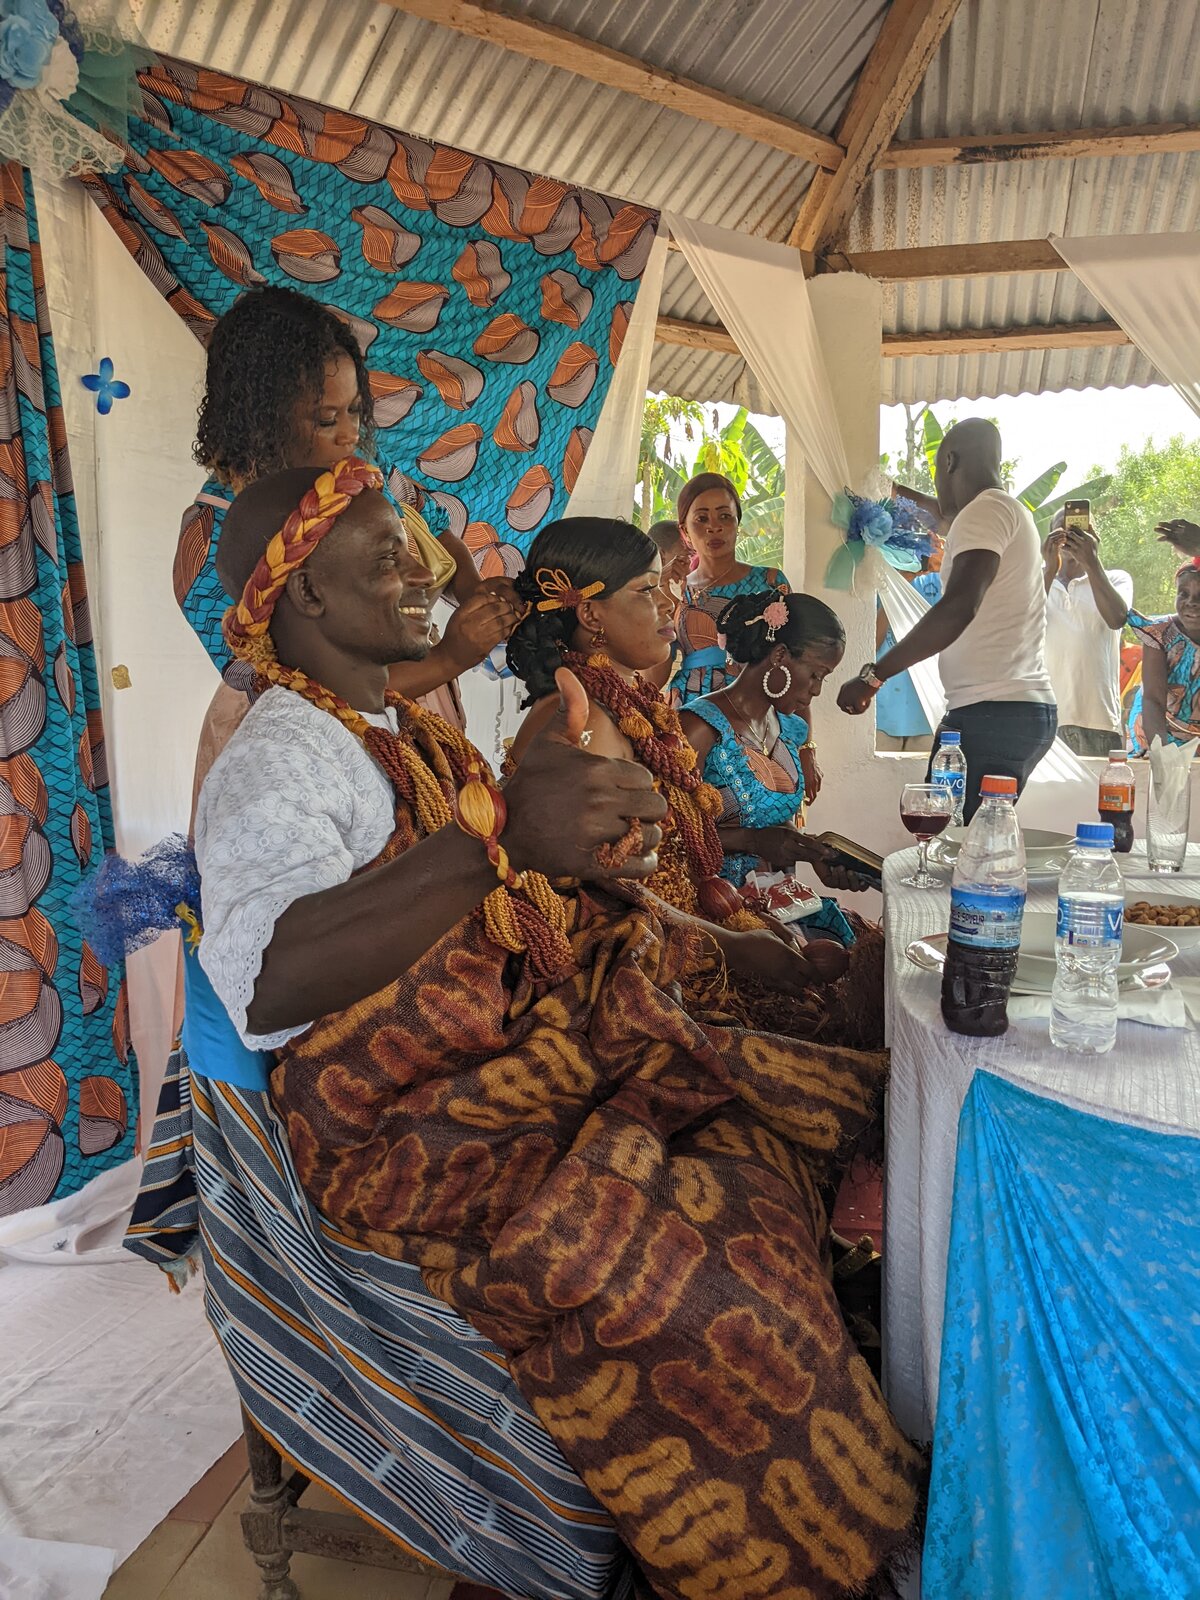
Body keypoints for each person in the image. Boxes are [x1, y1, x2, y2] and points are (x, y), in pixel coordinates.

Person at [193, 459, 922, 1598]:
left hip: (485, 1064)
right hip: (403, 1130)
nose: (418, 565)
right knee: (696, 1260)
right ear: (306, 599)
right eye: (379, 550)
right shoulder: (279, 754)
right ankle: (776, 1546)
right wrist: (495, 845)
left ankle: (849, 1437)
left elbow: (490, 900)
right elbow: (267, 980)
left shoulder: (395, 727)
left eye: (409, 541)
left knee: (748, 1115)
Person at [178, 285, 518, 728]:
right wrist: (449, 657)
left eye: (355, 412)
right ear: (257, 418)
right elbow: (279, 684)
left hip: (418, 702)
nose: (349, 435)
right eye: (325, 419)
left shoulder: (367, 473)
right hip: (308, 736)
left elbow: (436, 532)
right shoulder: (212, 532)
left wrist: (476, 595)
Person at [838, 419, 1057, 820]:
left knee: (959, 845)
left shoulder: (985, 511)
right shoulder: (1005, 511)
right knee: (969, 841)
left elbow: (958, 606)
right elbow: (942, 516)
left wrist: (874, 675)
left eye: (938, 471)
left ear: (951, 461)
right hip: (1007, 711)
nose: (937, 484)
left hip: (993, 713)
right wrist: (894, 493)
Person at [672, 472, 790, 704]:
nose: (714, 527)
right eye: (701, 519)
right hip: (691, 703)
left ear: (738, 523)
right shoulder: (676, 590)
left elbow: (792, 656)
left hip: (756, 704)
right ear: (684, 531)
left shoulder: (770, 582)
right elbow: (653, 672)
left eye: (725, 516)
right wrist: (664, 596)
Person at [1041, 509, 1132, 756]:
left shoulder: (1116, 579)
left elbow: (1117, 619)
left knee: (1101, 795)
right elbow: (1021, 627)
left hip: (1100, 720)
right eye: (1062, 531)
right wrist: (1049, 569)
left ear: (1095, 537)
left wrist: (1092, 562)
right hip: (1046, 719)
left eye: (1079, 529)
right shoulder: (1038, 579)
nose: (1070, 537)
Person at [874, 542, 944, 753]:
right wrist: (895, 590)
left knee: (928, 783)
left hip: (930, 711)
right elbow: (869, 646)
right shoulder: (877, 584)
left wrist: (946, 564)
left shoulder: (941, 581)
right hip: (883, 712)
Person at [1126, 557, 1200, 755]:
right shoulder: (1160, 632)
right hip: (1154, 734)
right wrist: (1161, 752)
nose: (1192, 602)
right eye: (1183, 594)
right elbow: (1152, 699)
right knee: (1157, 781)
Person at [643, 517, 691, 693]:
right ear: (662, 556)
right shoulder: (637, 600)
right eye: (687, 558)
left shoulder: (691, 597)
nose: (692, 566)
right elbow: (651, 683)